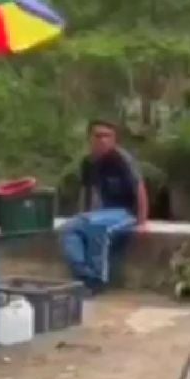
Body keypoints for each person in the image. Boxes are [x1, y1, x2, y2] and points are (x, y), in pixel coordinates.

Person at [59, 120, 148, 294]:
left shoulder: (121, 159)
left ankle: (98, 280)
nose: (102, 140)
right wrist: (82, 215)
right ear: (90, 138)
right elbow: (88, 191)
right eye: (98, 136)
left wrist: (142, 221)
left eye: (107, 136)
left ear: (114, 139)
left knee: (98, 228)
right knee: (69, 229)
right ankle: (83, 276)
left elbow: (140, 188)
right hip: (103, 212)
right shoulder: (88, 162)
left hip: (125, 212)